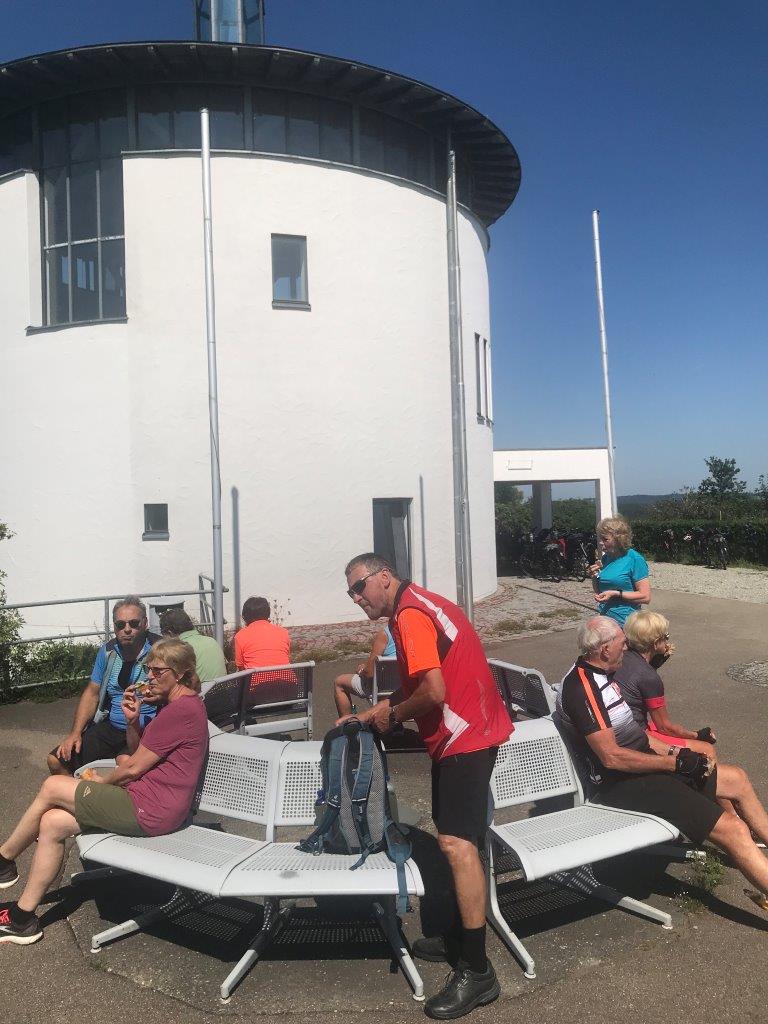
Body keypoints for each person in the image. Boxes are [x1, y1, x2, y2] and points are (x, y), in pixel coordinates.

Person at [341, 553, 513, 1019]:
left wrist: (393, 716)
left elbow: (433, 692)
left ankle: (477, 970)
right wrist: (377, 711)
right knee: (458, 839)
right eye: (350, 591)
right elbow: (422, 681)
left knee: (457, 845)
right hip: (472, 731)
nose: (356, 598)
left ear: (384, 577)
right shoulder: (417, 604)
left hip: (464, 737)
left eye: (359, 586)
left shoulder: (410, 616)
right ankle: (459, 937)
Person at [0, 638, 209, 945]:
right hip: (148, 801)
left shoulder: (182, 710)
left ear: (180, 674)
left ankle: (4, 861)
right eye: (148, 669)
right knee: (52, 822)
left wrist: (100, 782)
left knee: (52, 785)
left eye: (157, 671)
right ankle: (23, 919)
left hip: (151, 809)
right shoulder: (175, 706)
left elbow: (133, 768)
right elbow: (138, 754)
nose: (149, 677)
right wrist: (133, 721)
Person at [554, 615, 768, 911]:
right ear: (605, 650)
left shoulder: (604, 675)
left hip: (644, 768)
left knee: (737, 778)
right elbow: (612, 757)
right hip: (621, 785)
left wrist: (675, 753)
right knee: (733, 829)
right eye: (622, 643)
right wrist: (675, 765)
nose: (626, 647)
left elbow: (638, 735)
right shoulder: (583, 690)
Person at [47, 597, 160, 776]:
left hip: (148, 730)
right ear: (114, 627)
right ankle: (76, 793)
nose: (127, 629)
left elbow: (184, 687)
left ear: (145, 623)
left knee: (124, 767)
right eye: (120, 624)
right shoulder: (108, 651)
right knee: (56, 761)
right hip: (112, 726)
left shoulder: (160, 649)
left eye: (134, 623)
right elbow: (92, 693)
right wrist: (75, 733)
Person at [615, 610, 717, 755]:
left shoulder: (619, 657)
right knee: (706, 749)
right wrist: (698, 735)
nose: (667, 641)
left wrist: (652, 665)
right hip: (634, 736)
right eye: (666, 637)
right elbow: (664, 727)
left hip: (618, 727)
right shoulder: (649, 676)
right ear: (656, 643)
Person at [588, 515, 651, 627]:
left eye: (605, 539)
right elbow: (600, 591)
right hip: (606, 619)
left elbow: (645, 597)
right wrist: (594, 576)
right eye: (600, 539)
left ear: (618, 539)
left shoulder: (634, 559)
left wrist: (616, 594)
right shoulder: (606, 558)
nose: (601, 543)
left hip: (627, 622)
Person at [333, 625, 396, 717]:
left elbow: (369, 673)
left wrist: (362, 670)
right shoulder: (414, 631)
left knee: (339, 682)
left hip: (383, 688)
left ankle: (348, 723)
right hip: (407, 687)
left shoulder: (385, 634)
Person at [159, 607, 226, 683]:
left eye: (163, 635)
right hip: (222, 689)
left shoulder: (179, 649)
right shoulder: (212, 641)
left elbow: (169, 682)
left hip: (199, 689)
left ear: (170, 633)